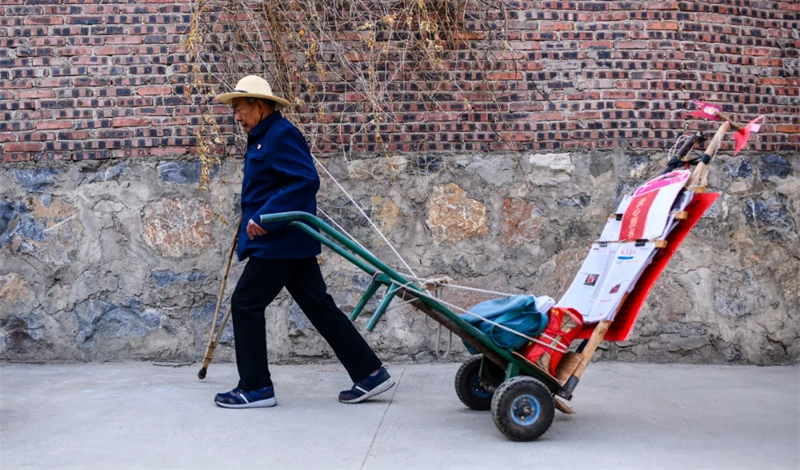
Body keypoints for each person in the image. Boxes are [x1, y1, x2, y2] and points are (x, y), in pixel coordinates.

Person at [212, 75, 394, 408]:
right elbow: (270, 186)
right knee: (318, 307)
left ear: (259, 105)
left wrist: (266, 217)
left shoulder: (281, 134)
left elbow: (305, 181)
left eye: (239, 108)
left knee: (245, 303)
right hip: (287, 242)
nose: (236, 116)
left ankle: (256, 388)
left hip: (280, 241)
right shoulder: (262, 137)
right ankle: (370, 373)